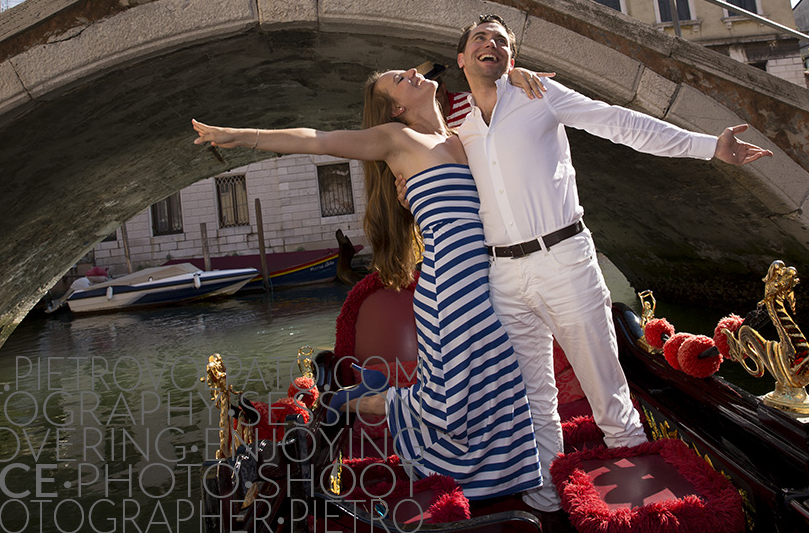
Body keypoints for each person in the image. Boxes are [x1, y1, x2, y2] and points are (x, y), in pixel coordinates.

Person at [450, 13, 773, 514]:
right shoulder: (459, 122)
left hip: (564, 259)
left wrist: (710, 147)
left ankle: (647, 506)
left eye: (499, 40)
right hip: (504, 276)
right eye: (479, 38)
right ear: (462, 57)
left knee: (607, 389)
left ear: (512, 56)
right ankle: (549, 503)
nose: (488, 44)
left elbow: (621, 124)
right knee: (534, 397)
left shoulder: (540, 95)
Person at [190, 68, 544, 501]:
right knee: (448, 405)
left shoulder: (464, 135)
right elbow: (317, 139)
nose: (413, 72)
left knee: (497, 381)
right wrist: (244, 136)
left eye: (407, 70)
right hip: (449, 287)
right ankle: (351, 401)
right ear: (395, 109)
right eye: (399, 79)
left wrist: (516, 75)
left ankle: (510, 482)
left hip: (490, 281)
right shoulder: (397, 139)